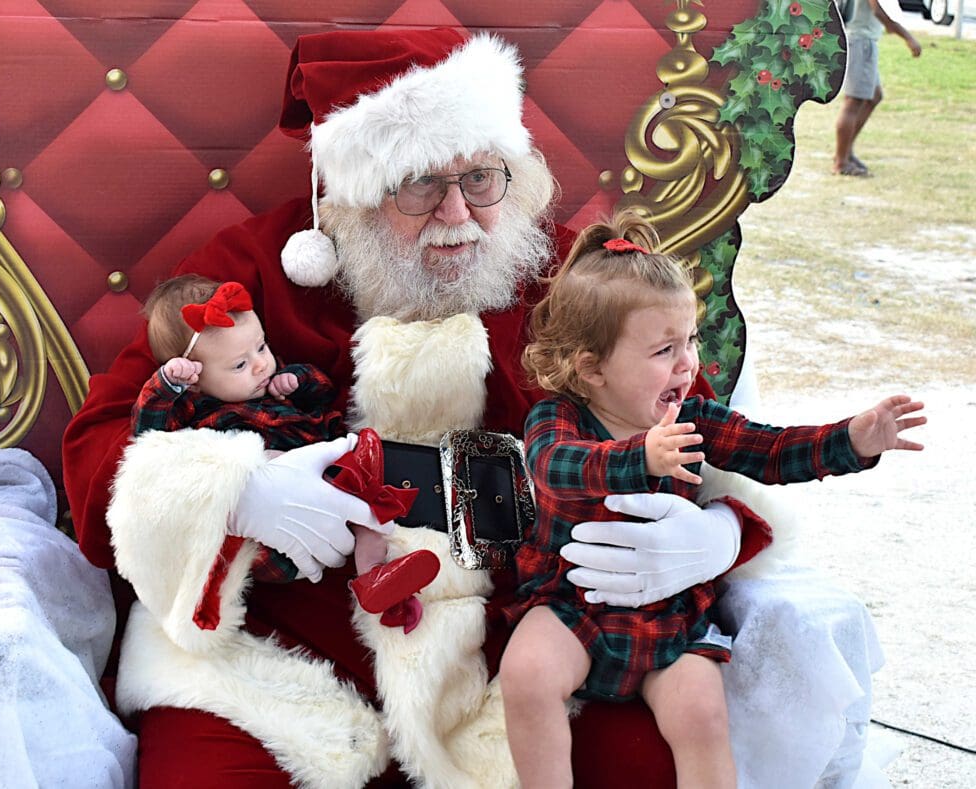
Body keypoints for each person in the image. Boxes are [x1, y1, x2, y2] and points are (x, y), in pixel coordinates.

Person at [62, 28, 861, 788]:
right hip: (276, 662)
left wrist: (723, 532)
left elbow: (700, 421)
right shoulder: (254, 271)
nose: (456, 215)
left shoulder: (574, 280)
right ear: (352, 194)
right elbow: (101, 444)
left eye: (480, 179)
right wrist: (236, 491)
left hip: (522, 656)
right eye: (419, 185)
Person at [499, 209, 926, 788]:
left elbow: (771, 450)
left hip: (669, 614)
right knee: (526, 674)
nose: (687, 364)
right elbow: (555, 468)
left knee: (702, 712)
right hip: (570, 605)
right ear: (592, 367)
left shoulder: (694, 419)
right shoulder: (558, 418)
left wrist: (851, 440)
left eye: (691, 340)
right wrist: (640, 456)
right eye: (664, 350)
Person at [133, 274, 438, 631]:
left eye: (261, 347)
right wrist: (166, 385)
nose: (261, 364)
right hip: (268, 539)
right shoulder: (197, 413)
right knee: (259, 464)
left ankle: (375, 578)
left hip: (331, 489)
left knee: (369, 511)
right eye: (239, 365)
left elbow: (324, 393)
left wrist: (297, 381)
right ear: (196, 382)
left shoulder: (270, 386)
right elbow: (148, 436)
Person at [833, 0, 921, 176]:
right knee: (853, 102)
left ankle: (846, 151)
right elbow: (877, 10)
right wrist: (907, 37)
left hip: (860, 38)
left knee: (874, 96)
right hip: (860, 40)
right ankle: (841, 161)